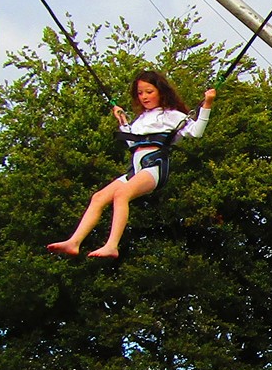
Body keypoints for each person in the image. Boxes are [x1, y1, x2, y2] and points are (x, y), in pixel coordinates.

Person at [47, 70, 214, 260]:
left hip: (154, 167)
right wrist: (123, 122)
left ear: (160, 91)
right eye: (140, 93)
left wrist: (207, 104)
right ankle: (74, 242)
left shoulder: (172, 115)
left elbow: (197, 131)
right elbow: (133, 144)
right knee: (99, 197)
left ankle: (112, 245)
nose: (144, 97)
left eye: (149, 92)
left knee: (121, 194)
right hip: (135, 168)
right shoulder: (141, 119)